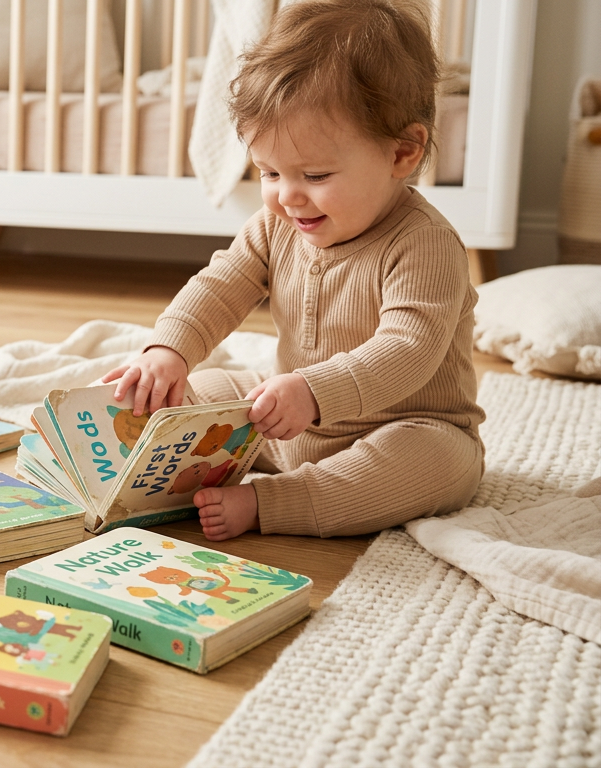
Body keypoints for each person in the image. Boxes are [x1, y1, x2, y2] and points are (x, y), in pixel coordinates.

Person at [103, 0, 484, 541]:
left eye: (316, 174)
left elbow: (408, 350)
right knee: (200, 392)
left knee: (433, 461)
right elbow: (221, 283)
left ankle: (273, 501)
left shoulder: (425, 244)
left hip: (405, 425)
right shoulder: (277, 222)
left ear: (403, 152)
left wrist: (313, 392)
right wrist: (169, 351)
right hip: (285, 419)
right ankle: (149, 463)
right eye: (269, 171)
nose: (288, 196)